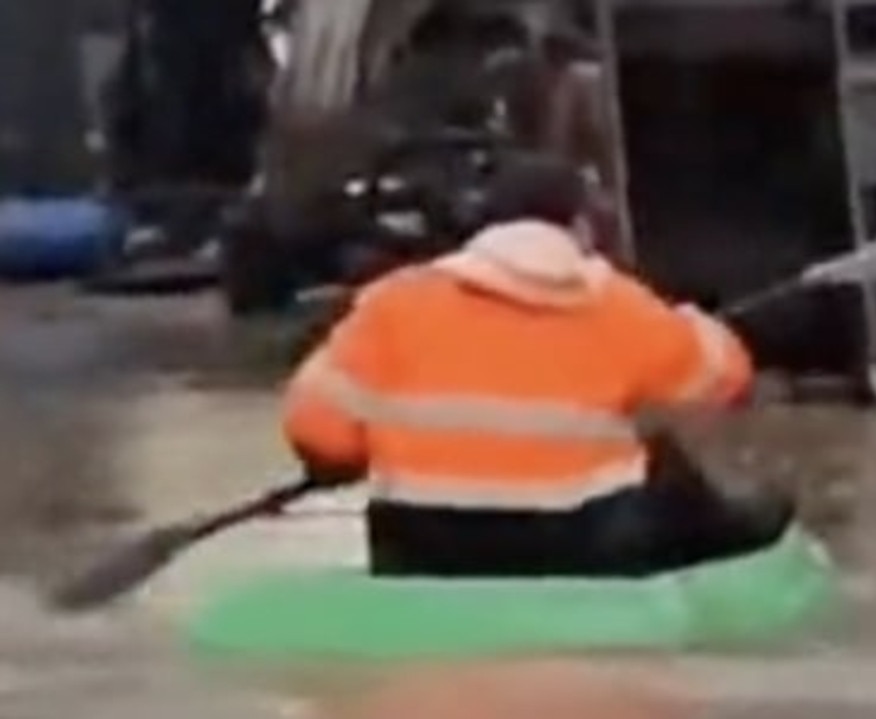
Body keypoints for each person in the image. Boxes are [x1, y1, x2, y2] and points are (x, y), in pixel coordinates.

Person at [282, 154, 792, 577]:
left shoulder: (393, 302)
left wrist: (345, 461)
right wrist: (692, 322)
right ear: (580, 227)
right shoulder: (616, 304)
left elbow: (316, 428)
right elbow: (721, 378)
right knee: (658, 449)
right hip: (577, 548)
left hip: (420, 547)